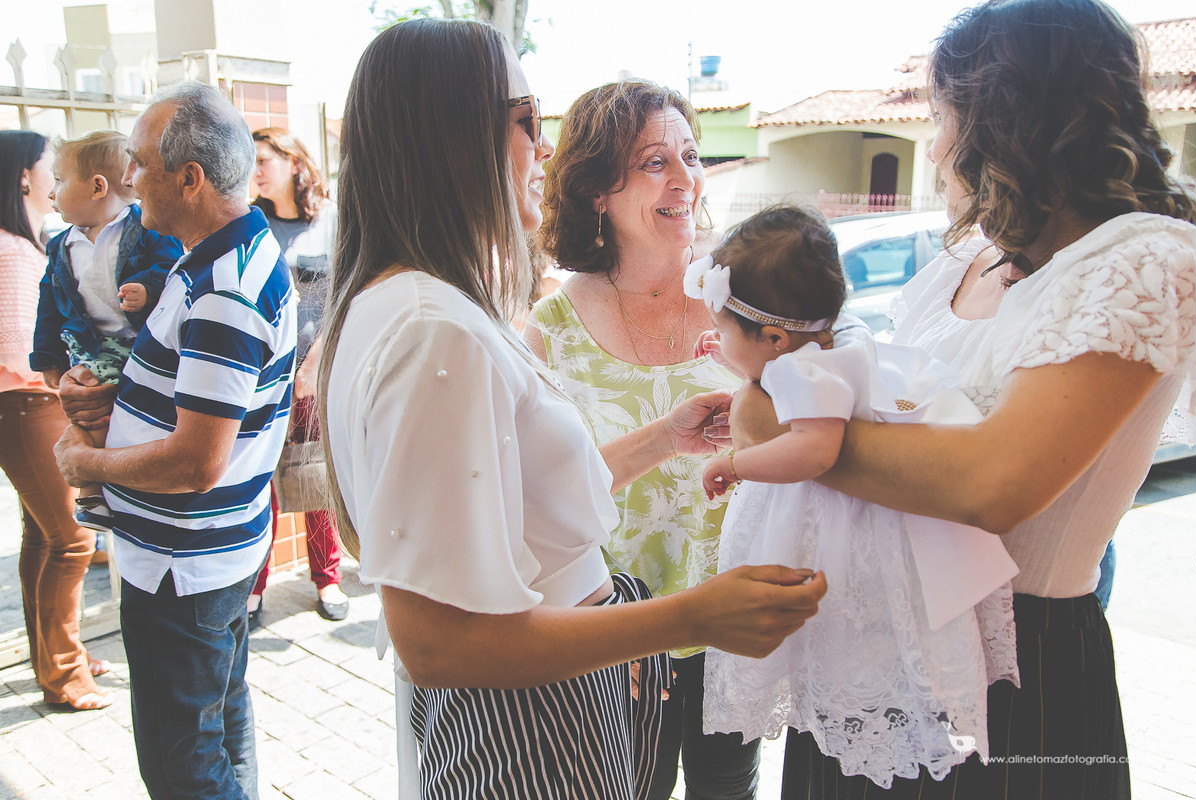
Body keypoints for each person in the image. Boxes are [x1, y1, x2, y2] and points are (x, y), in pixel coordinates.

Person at [318, 19, 828, 800]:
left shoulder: (411, 306)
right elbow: (438, 644)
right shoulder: (434, 330)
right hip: (530, 718)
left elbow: (520, 502)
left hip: (547, 691)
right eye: (526, 121)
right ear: (454, 134)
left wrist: (660, 438)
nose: (544, 148)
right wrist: (690, 619)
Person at [727, 1, 1196, 797]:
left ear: (1005, 120)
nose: (939, 145)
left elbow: (994, 483)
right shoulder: (966, 262)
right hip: (874, 651)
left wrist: (787, 428)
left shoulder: (1146, 258)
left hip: (1018, 666)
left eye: (944, 116)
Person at [688, 204, 1017, 788]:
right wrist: (729, 354)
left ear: (773, 337)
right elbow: (771, 365)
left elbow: (816, 452)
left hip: (850, 534)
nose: (717, 339)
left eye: (725, 332)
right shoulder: (832, 341)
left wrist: (735, 462)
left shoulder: (803, 374)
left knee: (843, 644)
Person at [53, 82, 296, 800]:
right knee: (221, 723)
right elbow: (206, 391)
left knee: (182, 765)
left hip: (180, 566)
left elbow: (197, 461)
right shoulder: (226, 255)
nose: (127, 178)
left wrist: (85, 461)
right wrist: (121, 393)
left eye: (138, 161)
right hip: (209, 553)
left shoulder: (225, 287)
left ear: (188, 178)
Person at [525, 80, 750, 800]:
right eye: (656, 162)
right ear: (596, 191)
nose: (685, 179)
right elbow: (541, 504)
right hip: (618, 642)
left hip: (732, 626)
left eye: (690, 155)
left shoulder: (745, 297)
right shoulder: (549, 332)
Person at [0, 129, 112, 711]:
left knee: (42, 538)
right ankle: (64, 674)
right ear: (24, 175)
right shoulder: (14, 250)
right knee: (71, 539)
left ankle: (54, 656)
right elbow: (22, 346)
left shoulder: (25, 244)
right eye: (51, 168)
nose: (53, 181)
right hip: (27, 403)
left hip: (21, 404)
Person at [30, 130, 182, 531]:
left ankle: (111, 485)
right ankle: (93, 493)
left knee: (117, 413)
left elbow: (174, 266)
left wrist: (147, 287)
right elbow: (49, 303)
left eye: (60, 182)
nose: (51, 194)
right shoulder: (62, 245)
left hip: (140, 342)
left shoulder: (145, 231)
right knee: (88, 407)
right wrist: (47, 357)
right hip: (92, 345)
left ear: (98, 187)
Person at [247, 127, 345, 625]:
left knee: (313, 479)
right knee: (258, 480)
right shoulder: (250, 223)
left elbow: (341, 297)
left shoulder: (329, 220)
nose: (256, 170)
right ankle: (254, 587)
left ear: (293, 162)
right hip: (261, 376)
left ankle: (327, 581)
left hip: (311, 373)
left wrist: (313, 365)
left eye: (264, 160)